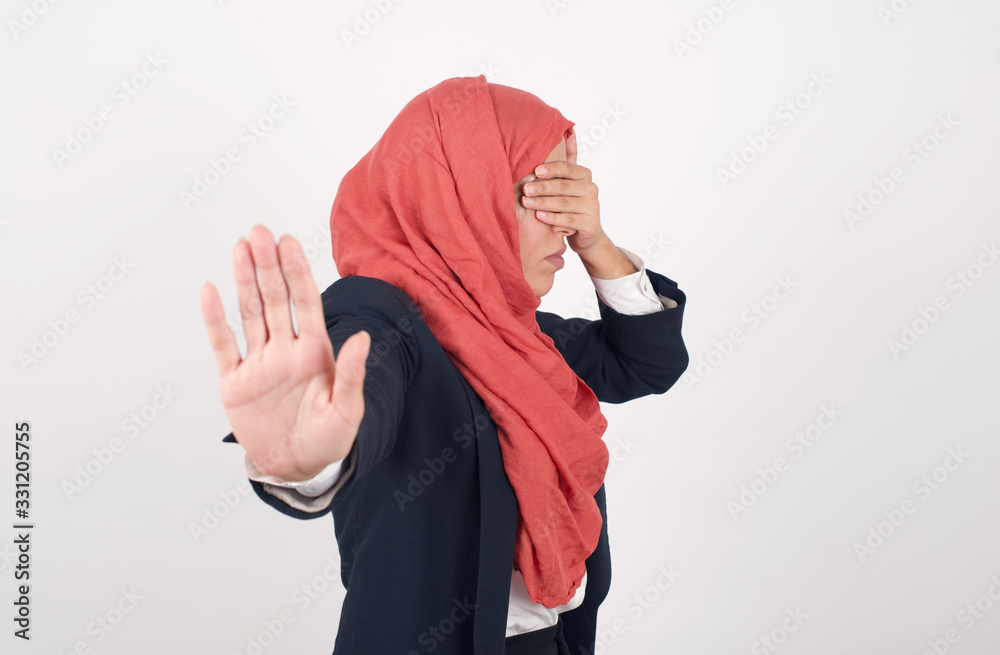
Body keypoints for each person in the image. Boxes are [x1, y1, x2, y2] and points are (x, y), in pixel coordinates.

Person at [200, 75, 689, 654]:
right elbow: (364, 379)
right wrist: (307, 454)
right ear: (460, 198)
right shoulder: (377, 318)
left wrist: (597, 243)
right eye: (538, 194)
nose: (564, 221)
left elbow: (646, 363)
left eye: (569, 195)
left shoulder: (520, 338)